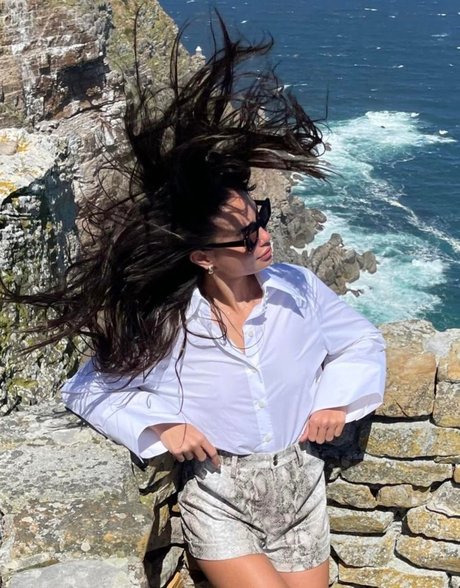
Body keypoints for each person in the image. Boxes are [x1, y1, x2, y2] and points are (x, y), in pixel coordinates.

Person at [4, 15, 386, 588]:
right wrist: (160, 427)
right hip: (218, 491)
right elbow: (85, 389)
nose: (264, 237)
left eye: (260, 218)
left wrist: (337, 399)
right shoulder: (169, 321)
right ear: (204, 257)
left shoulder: (300, 288)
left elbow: (360, 341)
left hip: (300, 482)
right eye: (245, 236)